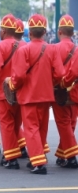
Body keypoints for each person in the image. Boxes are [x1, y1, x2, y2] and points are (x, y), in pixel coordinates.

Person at [9, 14, 65, 174]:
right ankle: (38, 156)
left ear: (30, 32)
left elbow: (18, 76)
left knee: (31, 128)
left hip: (28, 95)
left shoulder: (23, 50)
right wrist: (50, 82)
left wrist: (13, 85)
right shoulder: (52, 49)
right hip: (46, 95)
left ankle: (38, 162)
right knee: (41, 127)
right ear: (45, 32)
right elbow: (60, 73)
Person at [0, 14, 27, 170]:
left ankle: (10, 157)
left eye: (0, 29)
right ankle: (14, 151)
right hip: (20, 91)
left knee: (6, 124)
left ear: (4, 31)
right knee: (16, 123)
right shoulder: (23, 45)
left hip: (3, 91)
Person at [51, 14, 78, 168]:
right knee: (70, 123)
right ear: (72, 33)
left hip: (60, 92)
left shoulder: (54, 48)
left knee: (63, 124)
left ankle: (72, 156)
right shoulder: (77, 49)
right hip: (75, 92)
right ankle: (63, 155)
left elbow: (51, 71)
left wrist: (62, 83)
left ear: (59, 32)